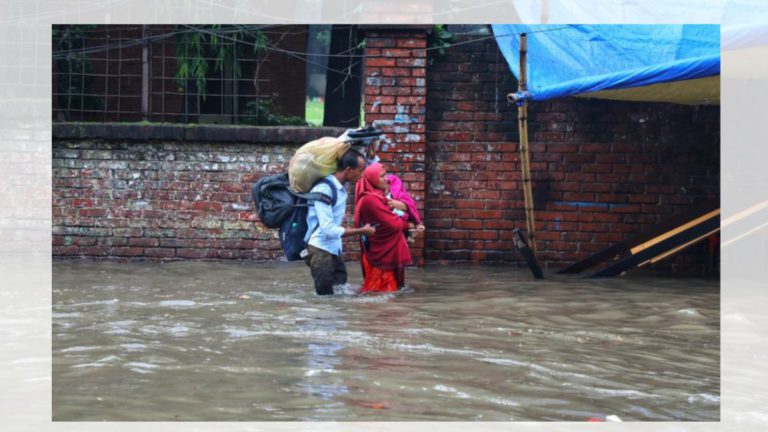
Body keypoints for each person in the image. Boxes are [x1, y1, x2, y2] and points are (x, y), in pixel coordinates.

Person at [304, 150, 376, 295]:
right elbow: (328, 230)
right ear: (349, 170)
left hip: (333, 249)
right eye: (360, 171)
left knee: (339, 295)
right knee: (325, 300)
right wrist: (361, 231)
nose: (362, 175)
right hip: (319, 250)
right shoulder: (324, 189)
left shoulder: (340, 188)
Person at [354, 162, 414, 293]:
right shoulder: (371, 199)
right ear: (373, 179)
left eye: (386, 175)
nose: (386, 179)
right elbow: (394, 224)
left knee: (385, 293)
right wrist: (408, 225)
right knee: (378, 294)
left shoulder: (378, 197)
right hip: (380, 256)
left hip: (384, 252)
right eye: (382, 176)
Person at [384, 173, 426, 243]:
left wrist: (417, 222)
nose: (385, 185)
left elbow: (412, 207)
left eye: (387, 183)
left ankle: (407, 235)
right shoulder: (378, 195)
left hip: (402, 218)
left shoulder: (401, 194)